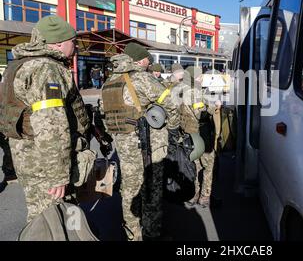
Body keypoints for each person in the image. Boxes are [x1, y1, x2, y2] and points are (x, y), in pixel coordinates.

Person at [0, 15, 91, 222]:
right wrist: (57, 175)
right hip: (45, 164)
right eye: (73, 42)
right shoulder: (46, 69)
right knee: (54, 221)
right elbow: (51, 126)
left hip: (28, 158)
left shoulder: (19, 65)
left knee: (41, 216)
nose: (75, 47)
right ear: (59, 43)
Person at [101, 42, 179, 240]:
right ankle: (152, 233)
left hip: (124, 145)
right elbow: (170, 103)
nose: (148, 63)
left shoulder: (110, 81)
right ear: (139, 60)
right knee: (151, 188)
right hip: (148, 145)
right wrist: (172, 127)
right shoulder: (142, 78)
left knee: (129, 188)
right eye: (147, 60)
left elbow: (104, 114)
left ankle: (132, 233)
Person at [179, 66, 221, 208]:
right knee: (209, 165)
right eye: (199, 76)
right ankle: (204, 196)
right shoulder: (195, 93)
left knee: (194, 166)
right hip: (201, 134)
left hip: (188, 134)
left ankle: (193, 194)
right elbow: (200, 113)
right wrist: (215, 106)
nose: (202, 78)